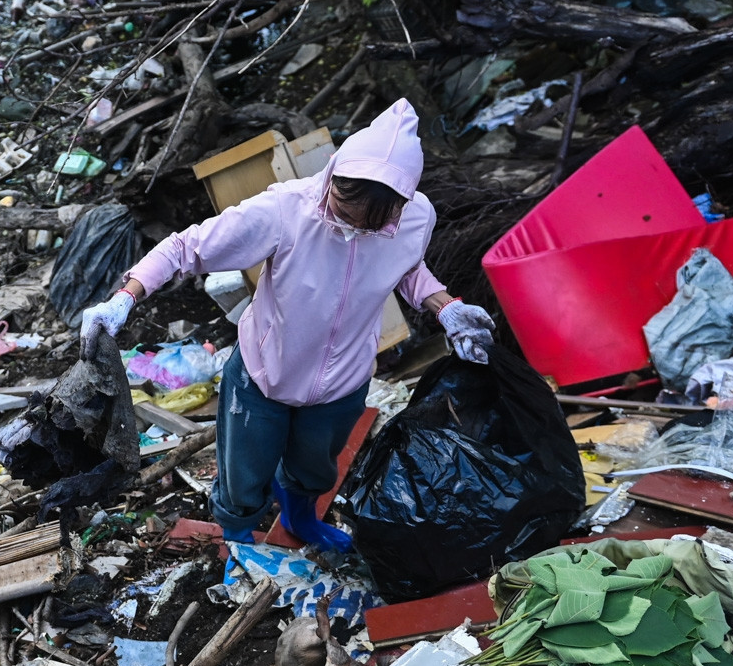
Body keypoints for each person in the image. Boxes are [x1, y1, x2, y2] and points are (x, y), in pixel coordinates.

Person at [79, 99, 495, 551]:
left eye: (368, 225)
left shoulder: (417, 217)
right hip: (264, 375)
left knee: (315, 468)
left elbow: (407, 268)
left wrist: (445, 306)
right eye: (342, 210)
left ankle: (301, 520)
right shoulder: (285, 210)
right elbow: (186, 248)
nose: (350, 227)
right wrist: (125, 297)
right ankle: (238, 537)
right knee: (244, 472)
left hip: (343, 383)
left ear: (401, 203)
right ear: (333, 174)